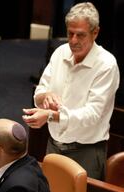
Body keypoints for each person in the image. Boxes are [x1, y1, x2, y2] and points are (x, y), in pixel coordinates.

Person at [23, 2, 120, 180]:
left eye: (80, 35)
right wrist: (46, 96)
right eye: (70, 33)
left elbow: (92, 115)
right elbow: (40, 92)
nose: (73, 41)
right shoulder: (60, 52)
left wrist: (50, 116)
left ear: (95, 32)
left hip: (86, 152)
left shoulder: (107, 64)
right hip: (53, 146)